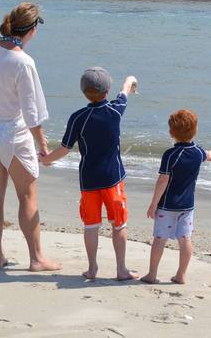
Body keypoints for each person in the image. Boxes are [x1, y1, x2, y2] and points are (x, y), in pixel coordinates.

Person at [0, 2, 61, 272]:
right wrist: (43, 145)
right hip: (11, 133)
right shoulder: (23, 61)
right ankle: (36, 258)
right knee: (27, 195)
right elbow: (32, 112)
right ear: (32, 30)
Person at [41, 67, 139, 281]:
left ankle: (92, 267)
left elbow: (65, 148)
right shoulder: (115, 110)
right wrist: (130, 80)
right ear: (107, 90)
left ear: (84, 91)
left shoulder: (78, 117)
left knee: (91, 225)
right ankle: (121, 269)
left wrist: (46, 159)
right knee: (119, 224)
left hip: (89, 181)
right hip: (113, 180)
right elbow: (124, 93)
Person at [142, 109, 211, 285]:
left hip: (167, 206)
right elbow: (208, 155)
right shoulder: (198, 152)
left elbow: (162, 181)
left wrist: (153, 204)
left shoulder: (170, 155)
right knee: (185, 240)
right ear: (195, 130)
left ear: (171, 133)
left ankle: (152, 274)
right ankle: (181, 275)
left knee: (160, 238)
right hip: (187, 206)